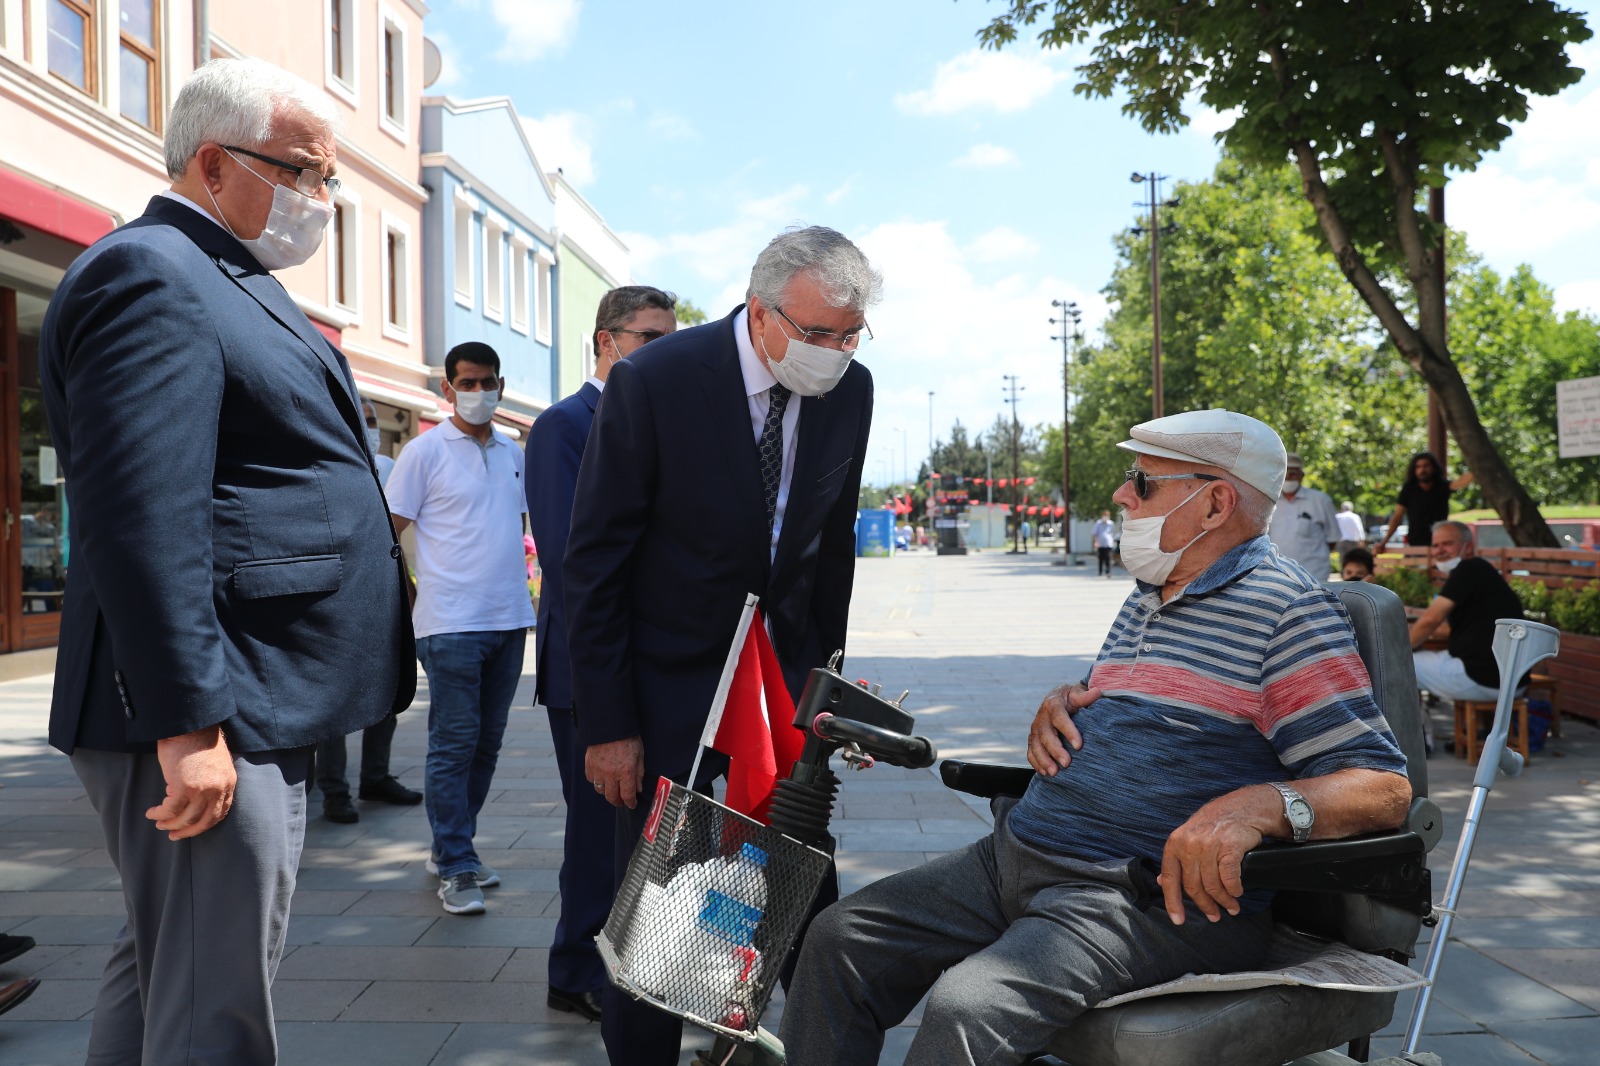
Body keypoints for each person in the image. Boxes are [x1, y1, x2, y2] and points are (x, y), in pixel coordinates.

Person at [780, 408, 1411, 1066]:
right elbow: (1129, 705)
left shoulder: (1289, 612)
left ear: (1215, 503)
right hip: (1018, 855)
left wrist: (1258, 806)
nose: (1120, 494)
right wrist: (1062, 704)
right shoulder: (1150, 593)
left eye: (1142, 481)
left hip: (1133, 897)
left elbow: (1384, 788)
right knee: (837, 940)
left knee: (969, 1007)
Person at [36, 58, 415, 1064]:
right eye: (303, 172)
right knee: (214, 1008)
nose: (317, 202)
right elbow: (142, 513)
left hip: (250, 692)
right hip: (215, 703)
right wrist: (186, 719)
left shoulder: (223, 274)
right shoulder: (152, 271)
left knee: (171, 969)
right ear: (213, 161)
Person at [565, 225, 878, 1065]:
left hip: (783, 703)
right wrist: (608, 722)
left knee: (804, 904)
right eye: (817, 335)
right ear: (760, 311)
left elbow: (831, 554)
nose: (833, 353)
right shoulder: (657, 380)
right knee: (658, 925)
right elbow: (593, 562)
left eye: (851, 335)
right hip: (670, 693)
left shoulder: (851, 391)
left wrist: (828, 699)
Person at [525, 285, 678, 1021]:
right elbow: (566, 554)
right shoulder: (565, 425)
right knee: (595, 827)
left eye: (668, 338)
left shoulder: (654, 419)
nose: (661, 352)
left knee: (635, 830)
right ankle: (575, 969)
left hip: (648, 660)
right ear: (605, 341)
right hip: (589, 665)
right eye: (648, 338)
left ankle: (624, 965)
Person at [386, 342, 536, 916]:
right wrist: (408, 595)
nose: (479, 393)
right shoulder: (423, 453)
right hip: (449, 624)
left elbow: (518, 527)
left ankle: (454, 846)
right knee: (454, 743)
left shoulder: (513, 452)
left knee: (486, 744)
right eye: (467, 383)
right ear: (447, 389)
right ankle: (455, 864)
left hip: (507, 618)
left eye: (488, 382)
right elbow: (388, 531)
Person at [314, 398, 421, 823]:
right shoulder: (322, 466)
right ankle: (334, 791)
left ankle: (376, 776)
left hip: (382, 594)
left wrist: (407, 584)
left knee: (386, 690)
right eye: (360, 419)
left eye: (372, 419)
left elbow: (394, 533)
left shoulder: (389, 468)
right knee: (336, 702)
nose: (368, 427)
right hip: (335, 596)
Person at [1408, 520, 1524, 703]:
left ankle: (1409, 730)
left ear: (1468, 547)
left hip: (1482, 678)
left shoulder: (1468, 569)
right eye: (1435, 545)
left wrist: (1400, 648)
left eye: (1447, 543)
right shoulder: (1482, 571)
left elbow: (1431, 620)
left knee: (1394, 665)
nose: (1439, 550)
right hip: (1511, 679)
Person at [1267, 452, 1339, 580]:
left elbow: (1332, 539)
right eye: (1285, 473)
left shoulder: (1320, 501)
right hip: (1278, 576)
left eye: (1293, 473)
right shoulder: (1269, 501)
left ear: (1301, 475)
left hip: (1315, 574)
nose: (1288, 477)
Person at [1380, 451, 1473, 549]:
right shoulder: (1409, 489)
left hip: (1438, 544)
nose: (1422, 470)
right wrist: (1384, 541)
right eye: (1418, 467)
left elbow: (1460, 483)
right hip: (1415, 544)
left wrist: (1478, 465)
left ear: (1433, 468)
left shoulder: (1442, 486)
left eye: (1426, 466)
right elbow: (1397, 516)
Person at [1093, 509, 1117, 576]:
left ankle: (1108, 571)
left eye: (1107, 515)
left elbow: (1113, 533)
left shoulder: (1111, 523)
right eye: (1104, 515)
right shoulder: (1098, 523)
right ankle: (1100, 572)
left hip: (1108, 544)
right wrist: (1096, 542)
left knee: (1108, 558)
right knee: (1101, 558)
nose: (1105, 517)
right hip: (1100, 544)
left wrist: (1113, 541)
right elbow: (1095, 533)